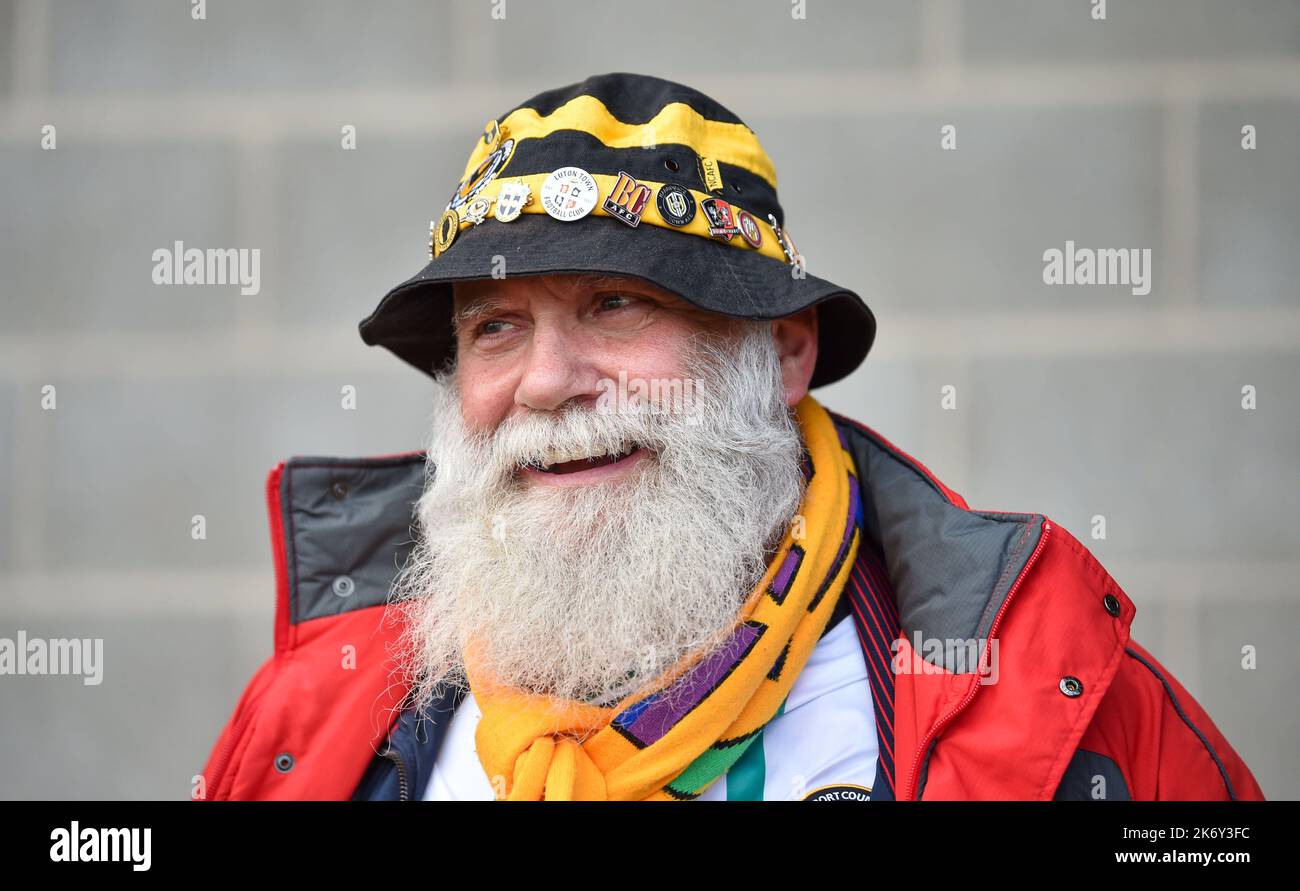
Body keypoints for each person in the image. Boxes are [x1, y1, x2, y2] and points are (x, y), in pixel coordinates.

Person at [198, 72, 1263, 802]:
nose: (548, 383)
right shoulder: (320, 709)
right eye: (495, 328)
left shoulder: (1057, 696)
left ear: (783, 354)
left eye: (616, 305)